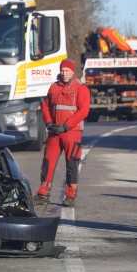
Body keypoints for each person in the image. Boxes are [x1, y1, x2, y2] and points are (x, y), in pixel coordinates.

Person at [33, 58, 90, 207]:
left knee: (71, 164)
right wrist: (49, 123)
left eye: (67, 71)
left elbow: (83, 111)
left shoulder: (81, 88)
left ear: (73, 72)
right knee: (47, 163)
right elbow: (46, 106)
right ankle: (43, 194)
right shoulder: (54, 87)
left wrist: (65, 126)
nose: (64, 73)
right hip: (54, 132)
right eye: (62, 70)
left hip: (72, 132)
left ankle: (70, 196)